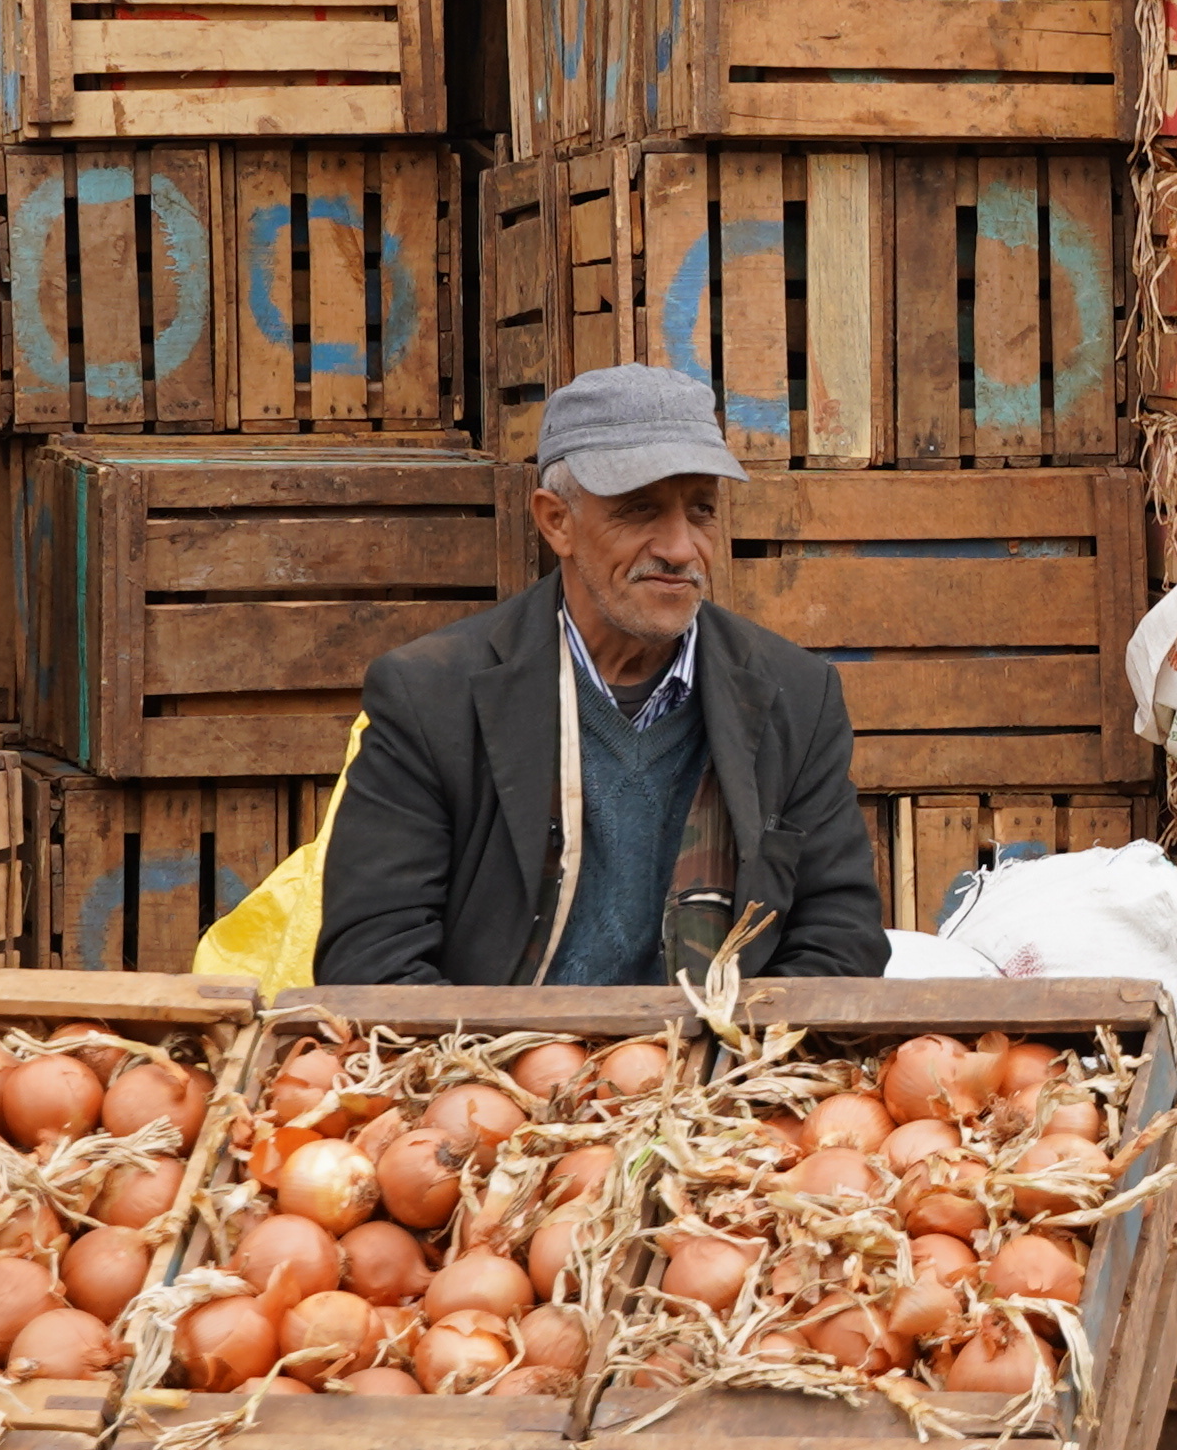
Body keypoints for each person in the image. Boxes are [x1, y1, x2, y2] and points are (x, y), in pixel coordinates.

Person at [311, 364, 883, 987]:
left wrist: (723, 1070)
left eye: (701, 511)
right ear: (556, 521)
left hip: (716, 1070)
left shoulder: (794, 696)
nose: (681, 548)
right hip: (495, 1063)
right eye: (639, 510)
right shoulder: (432, 696)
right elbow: (371, 961)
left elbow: (840, 940)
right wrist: (512, 1074)